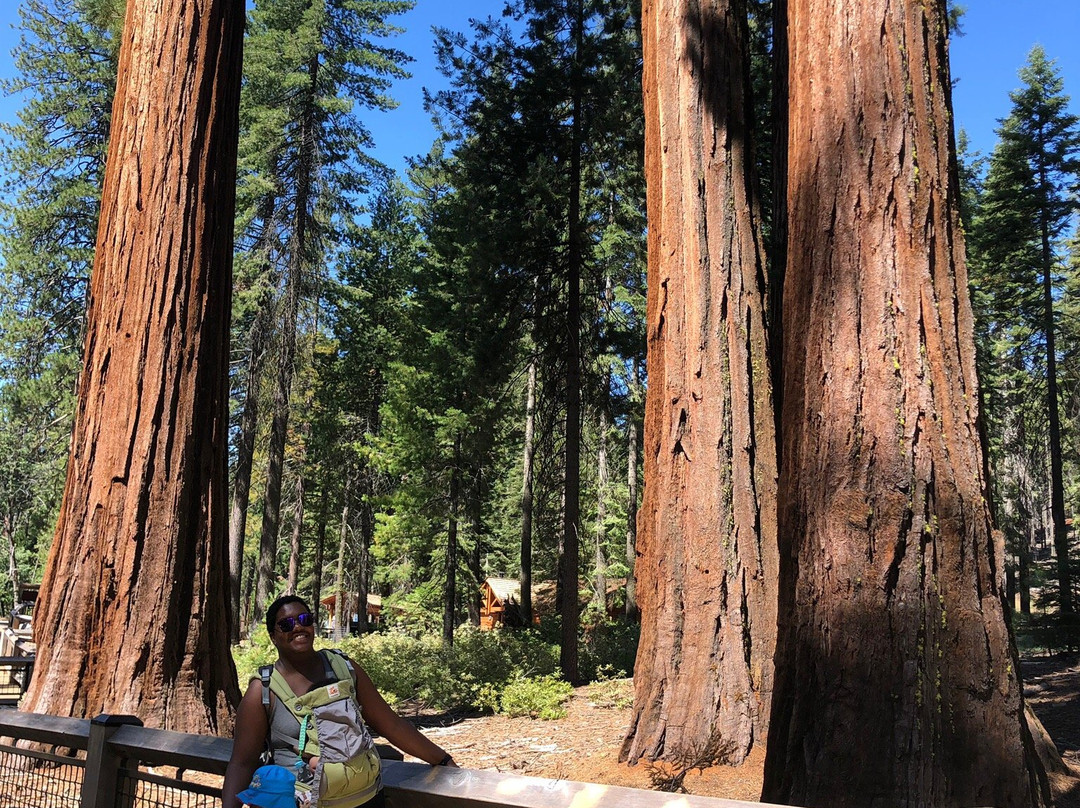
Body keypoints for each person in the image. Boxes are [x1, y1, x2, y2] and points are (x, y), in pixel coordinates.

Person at [223, 595, 457, 808]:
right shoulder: (263, 691)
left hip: (365, 798)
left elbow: (391, 725)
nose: (298, 627)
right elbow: (242, 763)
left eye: (304, 619)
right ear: (273, 636)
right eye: (286, 624)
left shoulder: (344, 668)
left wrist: (442, 759)